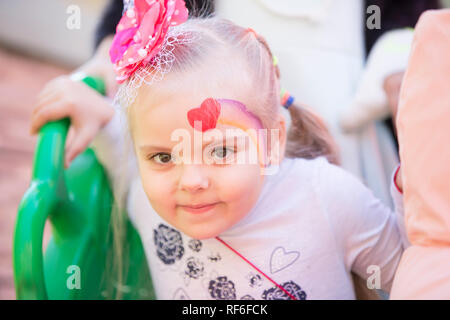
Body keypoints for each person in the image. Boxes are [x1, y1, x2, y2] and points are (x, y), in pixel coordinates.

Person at [30, 0, 408, 299]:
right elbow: (121, 140)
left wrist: (414, 185)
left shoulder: (330, 197)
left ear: (273, 142)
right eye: (164, 156)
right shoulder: (147, 189)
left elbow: (413, 275)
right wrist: (92, 105)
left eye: (222, 152)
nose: (191, 181)